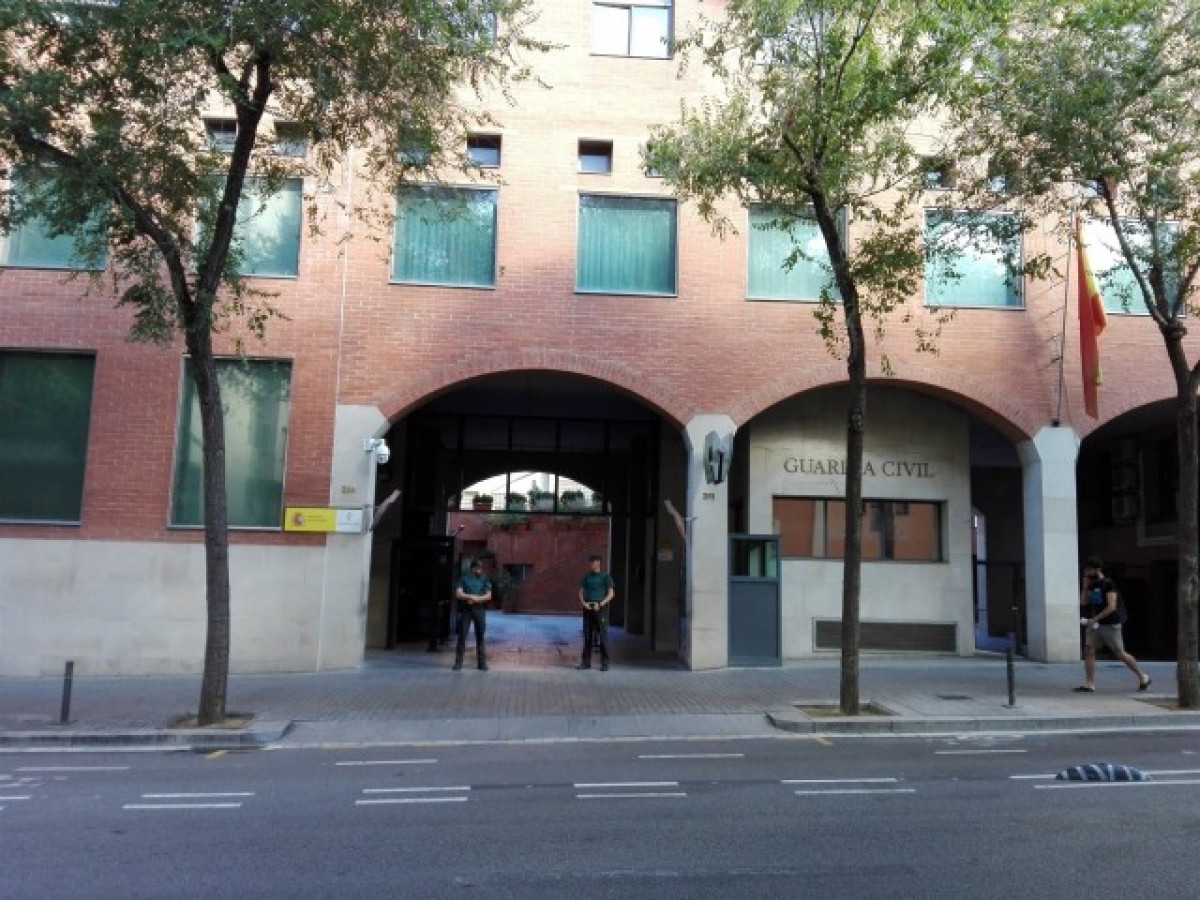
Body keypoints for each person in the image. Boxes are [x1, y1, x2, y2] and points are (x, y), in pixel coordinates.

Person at [1075, 556, 1151, 693]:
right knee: (1089, 650)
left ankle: (1142, 676)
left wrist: (1096, 619)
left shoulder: (1108, 584)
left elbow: (1111, 606)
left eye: (1090, 570)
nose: (1087, 573)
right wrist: (1085, 586)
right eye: (1085, 570)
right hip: (1094, 623)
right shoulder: (1090, 584)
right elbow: (1083, 603)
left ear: (1098, 570)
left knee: (1119, 653)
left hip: (1110, 623)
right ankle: (1089, 683)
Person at [453, 559, 491, 671]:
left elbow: (488, 595)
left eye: (481, 568)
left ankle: (482, 664)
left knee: (480, 636)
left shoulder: (484, 579)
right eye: (478, 568)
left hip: (479, 610)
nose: (480, 570)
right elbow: (458, 593)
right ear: (473, 568)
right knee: (462, 636)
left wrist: (477, 599)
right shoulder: (464, 579)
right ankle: (458, 663)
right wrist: (470, 596)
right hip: (466, 610)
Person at [578, 554, 614, 671]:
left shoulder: (605, 577)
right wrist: (584, 603)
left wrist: (601, 603)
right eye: (590, 562)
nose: (591, 565)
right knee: (587, 636)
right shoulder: (587, 577)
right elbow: (581, 592)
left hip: (600, 608)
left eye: (593, 562)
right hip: (588, 607)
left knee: (602, 637)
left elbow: (611, 594)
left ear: (598, 563)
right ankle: (586, 662)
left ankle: (605, 663)